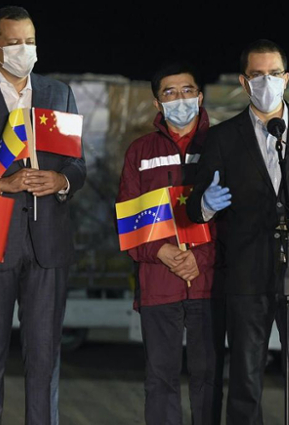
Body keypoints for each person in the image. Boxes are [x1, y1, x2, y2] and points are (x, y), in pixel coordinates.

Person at [187, 39, 289, 425]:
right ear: (244, 83)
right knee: (245, 378)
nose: (267, 82)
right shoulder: (224, 137)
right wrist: (206, 203)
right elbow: (195, 206)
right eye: (258, 75)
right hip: (247, 272)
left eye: (274, 74)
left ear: (287, 78)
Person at [0, 6, 86, 425]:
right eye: (13, 43)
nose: (23, 50)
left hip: (48, 244)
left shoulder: (56, 93)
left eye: (29, 41)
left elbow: (77, 166)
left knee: (44, 360)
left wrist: (60, 181)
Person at [117, 62, 224, 425]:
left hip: (209, 285)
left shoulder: (223, 145)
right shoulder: (139, 152)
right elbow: (128, 220)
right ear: (156, 103)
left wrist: (202, 258)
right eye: (170, 92)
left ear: (200, 96)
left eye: (187, 91)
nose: (180, 99)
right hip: (158, 283)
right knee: (160, 380)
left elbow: (238, 219)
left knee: (208, 380)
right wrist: (161, 251)